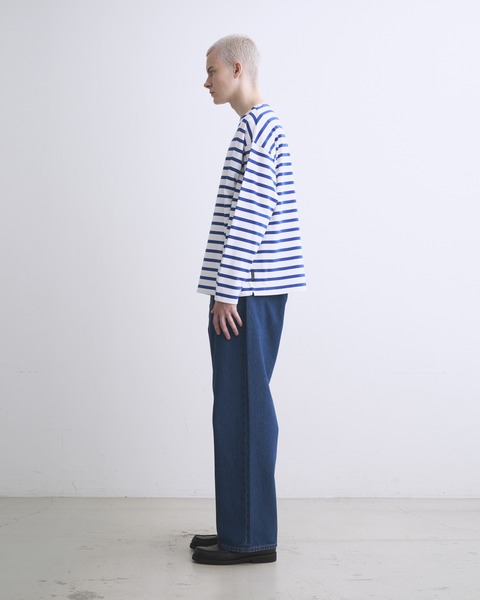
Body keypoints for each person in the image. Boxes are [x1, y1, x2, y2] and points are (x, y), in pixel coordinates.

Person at [191, 34, 306, 566]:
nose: (206, 81)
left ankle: (251, 538)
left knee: (245, 410)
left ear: (237, 69)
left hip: (248, 293)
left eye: (211, 71)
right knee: (238, 407)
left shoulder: (259, 128)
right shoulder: (256, 127)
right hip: (249, 291)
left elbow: (253, 214)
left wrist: (227, 292)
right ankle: (239, 527)